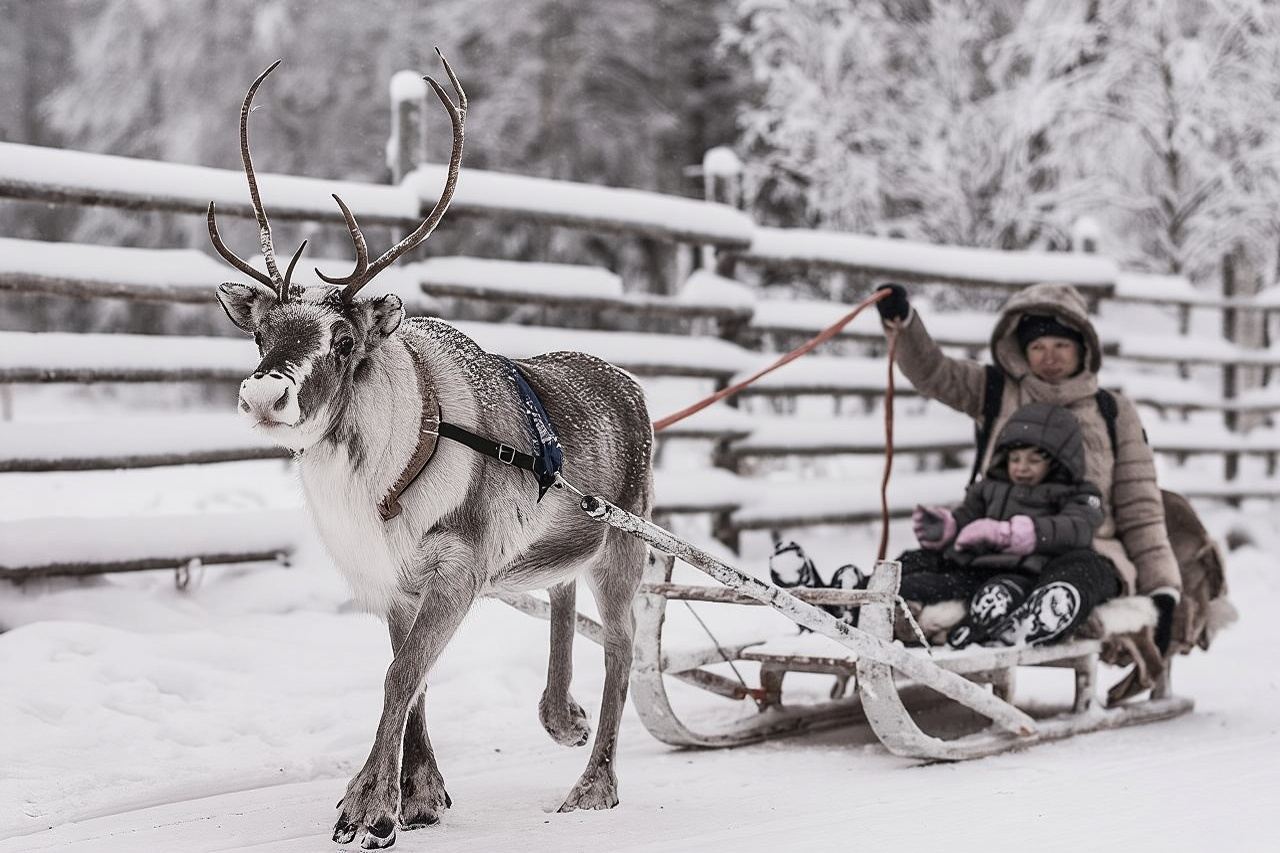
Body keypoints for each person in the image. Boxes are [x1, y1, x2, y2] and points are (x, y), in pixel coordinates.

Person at [875, 281, 1181, 653]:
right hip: (995, 548)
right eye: (1037, 347)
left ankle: (1044, 611)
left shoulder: (1112, 412)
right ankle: (862, 598)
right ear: (1021, 350)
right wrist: (904, 324)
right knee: (923, 563)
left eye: (1061, 346)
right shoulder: (997, 391)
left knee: (1080, 572)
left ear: (1084, 346)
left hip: (1086, 549)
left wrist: (1163, 591)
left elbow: (1140, 509)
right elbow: (935, 373)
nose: (1048, 357)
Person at [902, 401, 1106, 648]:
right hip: (974, 569)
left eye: (1033, 461)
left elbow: (1077, 527)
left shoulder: (1076, 494)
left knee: (1002, 592)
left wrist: (1010, 534)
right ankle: (868, 593)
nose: (1021, 468)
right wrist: (947, 527)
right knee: (923, 573)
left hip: (1026, 572)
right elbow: (967, 517)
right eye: (1015, 459)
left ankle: (983, 624)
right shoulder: (988, 489)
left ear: (1057, 462)